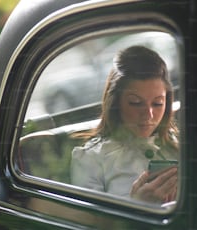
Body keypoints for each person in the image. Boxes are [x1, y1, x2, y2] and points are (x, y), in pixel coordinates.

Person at [71, 45, 179, 204]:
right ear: (115, 103)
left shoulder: (179, 145)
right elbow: (89, 221)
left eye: (157, 103)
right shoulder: (92, 159)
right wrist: (137, 205)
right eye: (135, 103)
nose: (148, 114)